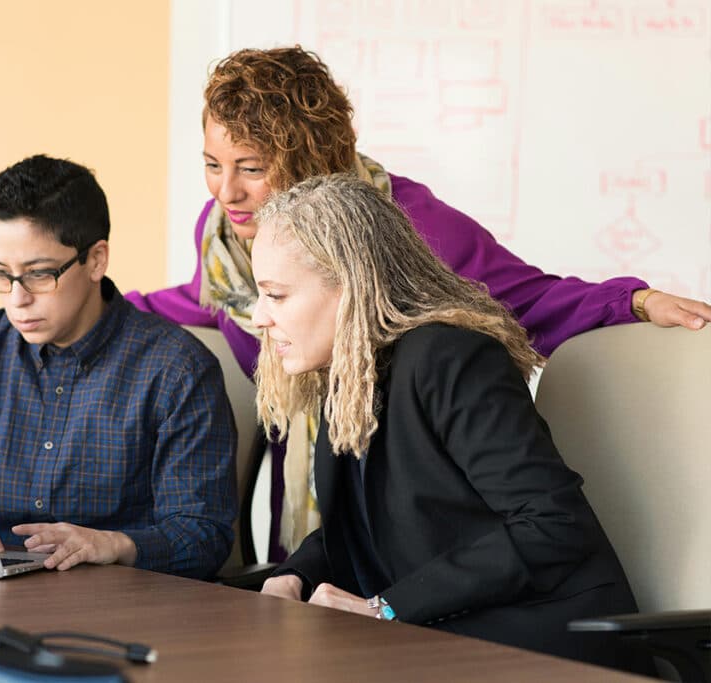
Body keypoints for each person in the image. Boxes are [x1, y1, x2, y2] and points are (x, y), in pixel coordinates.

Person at [125, 45, 711, 560]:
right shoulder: (227, 233)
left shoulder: (410, 226)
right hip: (321, 510)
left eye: (251, 168)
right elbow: (209, 301)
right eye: (211, 164)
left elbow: (528, 300)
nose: (226, 190)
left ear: (306, 159)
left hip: (410, 513)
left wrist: (635, 302)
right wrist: (101, 306)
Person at [254, 173, 652, 674]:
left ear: (350, 287)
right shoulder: (348, 370)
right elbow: (367, 524)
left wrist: (385, 610)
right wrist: (294, 577)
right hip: (443, 631)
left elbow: (552, 524)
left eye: (276, 295)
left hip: (541, 638)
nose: (259, 317)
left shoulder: (451, 357)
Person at [0, 154, 237, 580]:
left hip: (117, 611)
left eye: (39, 274)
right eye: (2, 274)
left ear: (96, 260)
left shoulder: (177, 371)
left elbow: (203, 537)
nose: (17, 298)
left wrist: (112, 544)